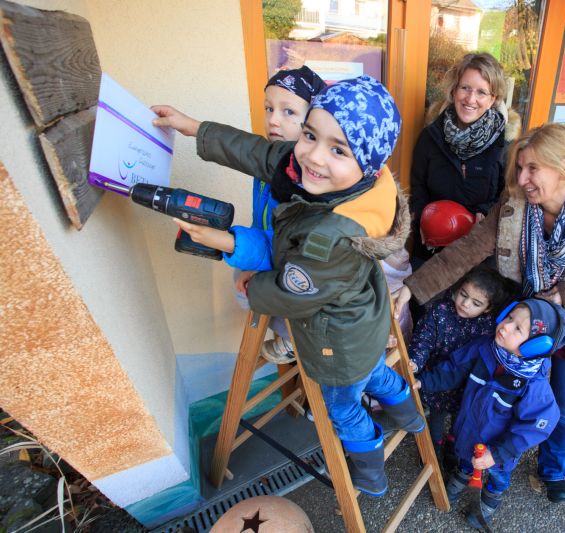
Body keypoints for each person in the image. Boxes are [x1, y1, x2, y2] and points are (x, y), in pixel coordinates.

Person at [152, 76, 420, 497]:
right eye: (310, 134)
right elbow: (262, 153)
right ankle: (411, 417)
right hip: (367, 322)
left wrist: (251, 282)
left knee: (344, 408)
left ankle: (371, 474)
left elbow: (291, 291)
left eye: (338, 149)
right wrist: (195, 129)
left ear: (366, 162)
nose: (313, 156)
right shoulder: (344, 179)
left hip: (337, 345)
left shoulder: (332, 235)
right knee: (376, 374)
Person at [396, 123, 565, 503]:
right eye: (519, 168)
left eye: (532, 169)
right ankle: (481, 456)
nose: (522, 178)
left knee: (564, 406)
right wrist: (412, 287)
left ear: (564, 166)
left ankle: (552, 470)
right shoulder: (515, 204)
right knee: (495, 390)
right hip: (521, 319)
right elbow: (468, 249)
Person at [414, 298, 565, 527]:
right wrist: (422, 382)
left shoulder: (533, 386)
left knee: (498, 475)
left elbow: (537, 425)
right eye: (509, 318)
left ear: (537, 346)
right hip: (469, 433)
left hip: (500, 451)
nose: (505, 326)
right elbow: (453, 370)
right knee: (466, 457)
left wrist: (497, 454)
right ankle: (463, 473)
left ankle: (491, 496)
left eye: (518, 328)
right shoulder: (484, 349)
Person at [231, 66, 327, 364]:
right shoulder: (267, 163)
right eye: (269, 108)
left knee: (250, 292)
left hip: (295, 268)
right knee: (240, 281)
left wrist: (257, 269)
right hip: (269, 254)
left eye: (288, 112)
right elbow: (259, 219)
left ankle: (295, 340)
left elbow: (300, 248)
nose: (273, 119)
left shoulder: (309, 175)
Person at [410, 52, 521, 269]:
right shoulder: (431, 136)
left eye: (481, 92)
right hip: (432, 246)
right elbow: (418, 188)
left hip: (477, 251)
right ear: (454, 90)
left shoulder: (505, 145)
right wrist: (422, 219)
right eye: (465, 88)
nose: (470, 99)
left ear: (493, 99)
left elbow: (510, 198)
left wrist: (484, 212)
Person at [405, 266, 512, 467]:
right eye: (463, 294)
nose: (465, 304)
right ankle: (434, 446)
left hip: (467, 385)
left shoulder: (488, 327)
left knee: (461, 418)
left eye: (476, 303)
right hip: (437, 376)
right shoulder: (440, 311)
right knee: (436, 416)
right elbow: (424, 339)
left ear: (488, 308)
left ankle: (454, 445)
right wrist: (416, 360)